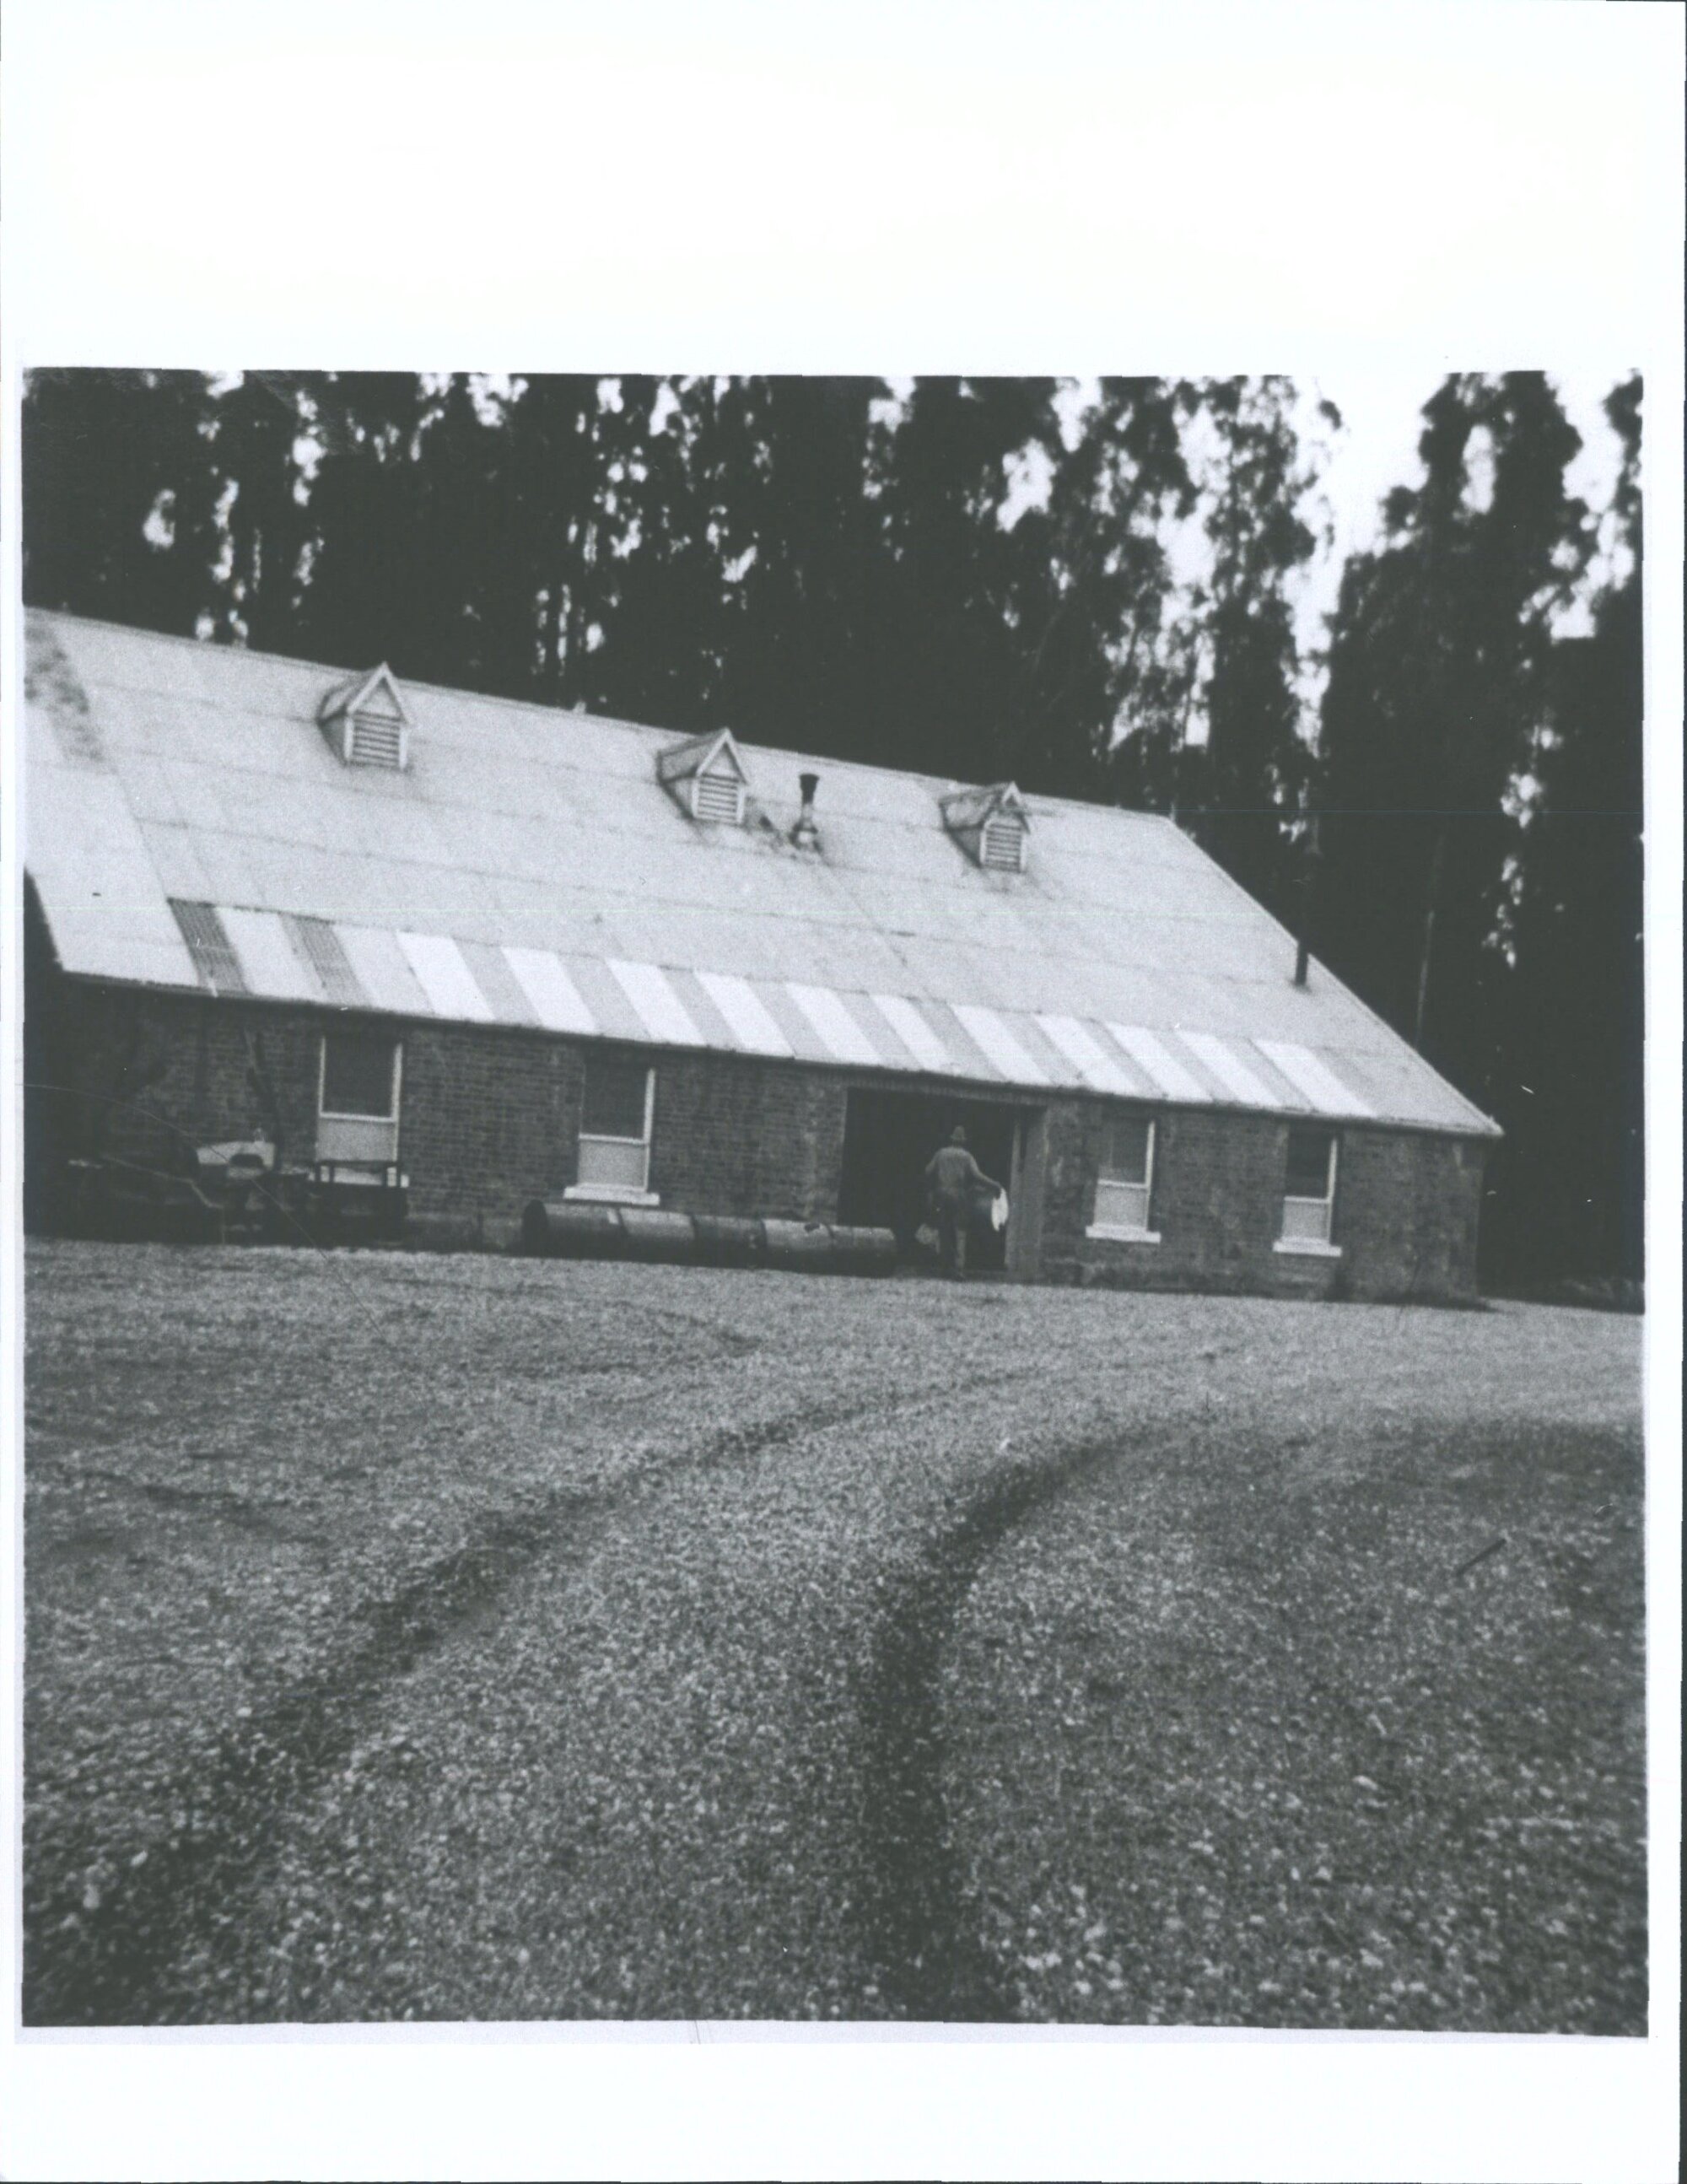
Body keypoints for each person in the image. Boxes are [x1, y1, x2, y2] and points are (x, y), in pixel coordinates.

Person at [922, 1125, 1003, 1277]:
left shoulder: (941, 1153)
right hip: (959, 1196)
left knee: (944, 1231)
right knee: (960, 1233)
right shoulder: (967, 1156)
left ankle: (944, 1268)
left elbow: (927, 1171)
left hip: (941, 1195)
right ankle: (959, 1269)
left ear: (952, 1139)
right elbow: (977, 1175)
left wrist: (931, 1190)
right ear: (963, 1142)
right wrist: (995, 1185)